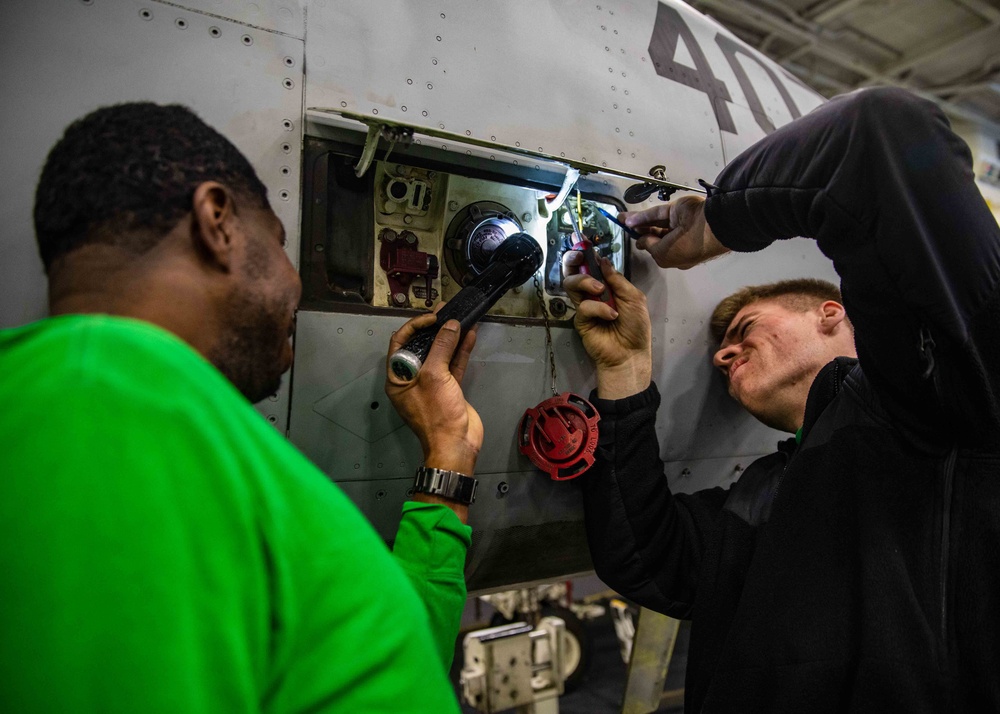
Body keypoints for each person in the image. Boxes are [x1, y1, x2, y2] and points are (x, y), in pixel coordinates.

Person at [0, 102, 482, 712]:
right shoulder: (96, 409)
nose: (294, 282)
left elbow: (351, 659)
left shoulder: (142, 422)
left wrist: (449, 455)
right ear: (218, 222)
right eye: (280, 243)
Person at [564, 87, 1000, 711]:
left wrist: (713, 224)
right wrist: (627, 371)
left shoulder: (938, 399)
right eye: (722, 351)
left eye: (745, 328)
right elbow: (647, 557)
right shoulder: (760, 496)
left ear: (832, 315)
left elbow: (880, 134)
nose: (722, 355)